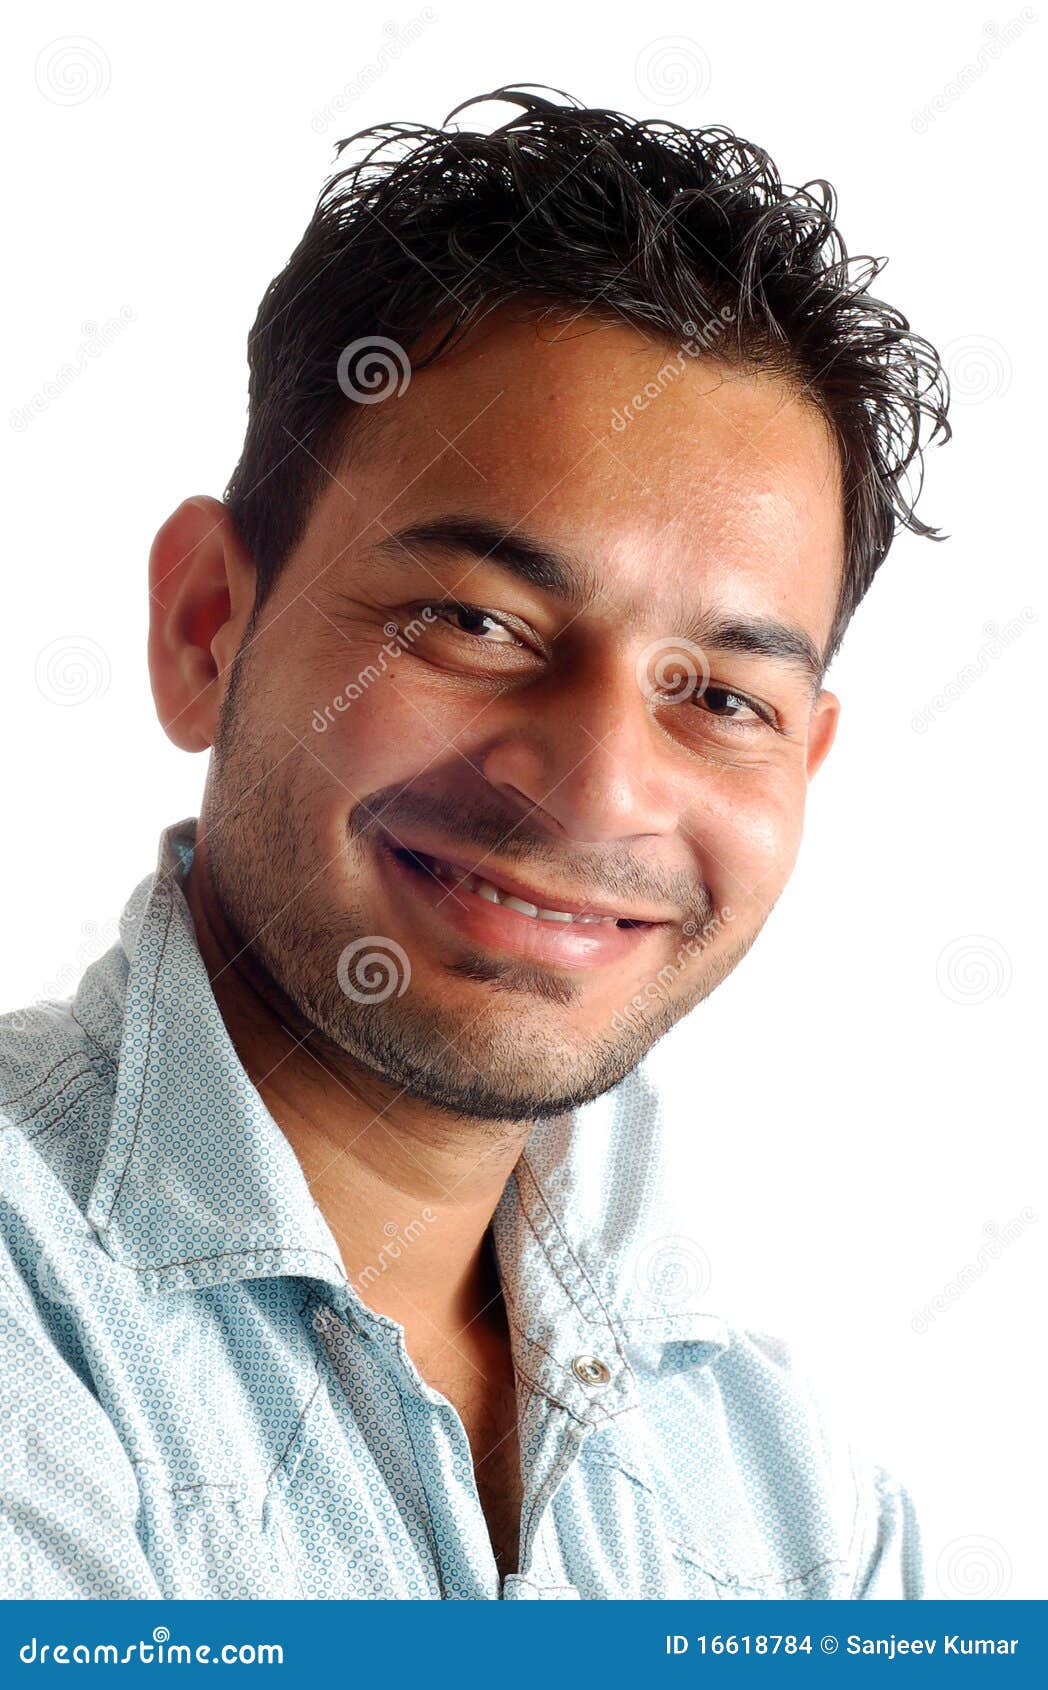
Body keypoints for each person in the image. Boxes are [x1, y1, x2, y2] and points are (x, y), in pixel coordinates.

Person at [0, 86, 950, 1599]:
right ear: (207, 627)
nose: (592, 791)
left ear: (807, 764)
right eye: (475, 622)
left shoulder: (796, 1496)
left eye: (721, 696)